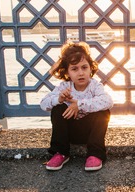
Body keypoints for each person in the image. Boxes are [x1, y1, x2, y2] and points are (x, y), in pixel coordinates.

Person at [40, 41, 113, 171]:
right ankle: (61, 153)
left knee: (103, 112)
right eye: (74, 69)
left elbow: (108, 101)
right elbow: (43, 104)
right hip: (69, 133)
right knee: (58, 108)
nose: (80, 73)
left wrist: (79, 105)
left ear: (90, 68)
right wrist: (59, 99)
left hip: (90, 133)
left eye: (84, 67)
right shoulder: (64, 87)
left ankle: (95, 154)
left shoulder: (95, 86)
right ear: (67, 72)